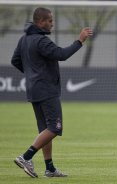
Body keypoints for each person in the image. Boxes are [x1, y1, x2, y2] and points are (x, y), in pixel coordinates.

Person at [11, 7, 93, 178]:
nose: (52, 24)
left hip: (34, 90)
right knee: (55, 128)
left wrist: (32, 75)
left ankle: (50, 168)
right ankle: (26, 157)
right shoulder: (41, 41)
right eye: (50, 21)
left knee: (45, 130)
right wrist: (80, 41)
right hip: (47, 90)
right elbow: (61, 54)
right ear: (40, 22)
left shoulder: (24, 39)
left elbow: (15, 60)